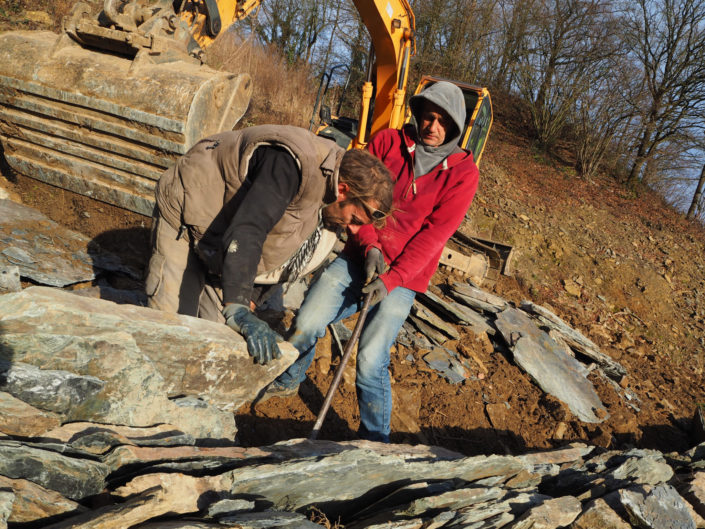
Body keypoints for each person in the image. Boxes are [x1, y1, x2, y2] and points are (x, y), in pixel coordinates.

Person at [263, 81, 479, 443]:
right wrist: (370, 247)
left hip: (405, 277)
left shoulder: (462, 174)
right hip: (358, 255)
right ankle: (289, 379)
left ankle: (375, 439)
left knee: (369, 359)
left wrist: (391, 280)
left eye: (443, 121)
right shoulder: (387, 143)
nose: (433, 127)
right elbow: (359, 200)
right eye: (429, 116)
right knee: (307, 321)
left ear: (455, 127)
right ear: (419, 114)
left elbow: (434, 236)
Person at [145, 125, 394, 365]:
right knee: (173, 328)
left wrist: (250, 300)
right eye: (355, 220)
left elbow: (286, 257)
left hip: (229, 240)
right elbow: (249, 229)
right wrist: (237, 306)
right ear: (343, 190)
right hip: (190, 212)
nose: (354, 231)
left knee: (216, 341)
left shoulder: (329, 208)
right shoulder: (291, 165)